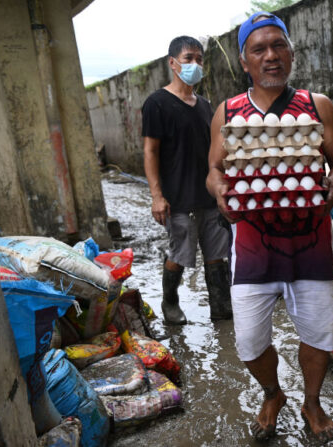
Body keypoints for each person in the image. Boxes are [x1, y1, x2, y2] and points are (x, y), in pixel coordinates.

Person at [206, 12, 333, 444]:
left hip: (310, 240)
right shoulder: (229, 114)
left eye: (279, 46)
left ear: (291, 52)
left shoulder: (316, 105)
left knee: (320, 335)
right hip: (254, 244)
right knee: (249, 342)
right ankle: (273, 393)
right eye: (259, 49)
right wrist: (219, 191)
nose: (271, 56)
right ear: (244, 60)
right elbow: (213, 169)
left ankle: (312, 400)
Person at [142, 36, 232, 325]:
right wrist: (157, 196)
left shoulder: (206, 106)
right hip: (179, 198)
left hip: (209, 196)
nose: (195, 64)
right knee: (180, 254)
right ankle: (170, 302)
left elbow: (216, 153)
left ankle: (221, 309)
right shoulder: (157, 103)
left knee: (217, 255)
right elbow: (151, 151)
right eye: (188, 58)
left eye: (199, 59)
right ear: (172, 63)